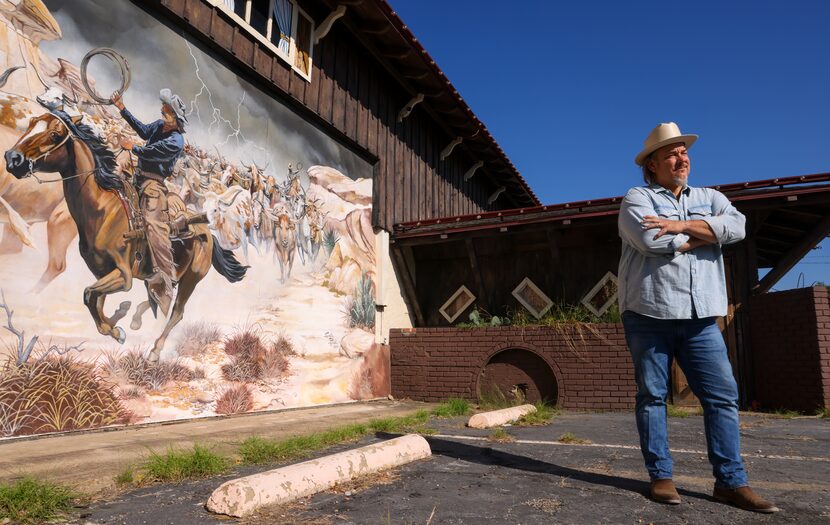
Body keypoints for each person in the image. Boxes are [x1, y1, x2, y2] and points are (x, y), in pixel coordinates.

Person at [617, 122, 778, 513]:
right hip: (648, 313)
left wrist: (683, 224)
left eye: (684, 151)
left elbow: (738, 226)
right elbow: (654, 241)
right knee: (653, 397)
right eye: (671, 153)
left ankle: (731, 482)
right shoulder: (636, 198)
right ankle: (661, 478)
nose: (681, 158)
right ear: (652, 165)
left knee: (722, 397)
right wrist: (706, 234)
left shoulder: (711, 196)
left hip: (701, 318)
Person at [111, 88, 187, 316]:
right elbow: (144, 131)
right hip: (137, 178)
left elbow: (150, 152)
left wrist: (131, 147)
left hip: (153, 185)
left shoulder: (176, 141)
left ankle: (165, 285)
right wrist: (122, 109)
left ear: (176, 118)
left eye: (167, 111)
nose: (162, 112)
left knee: (155, 228)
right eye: (163, 109)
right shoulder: (159, 125)